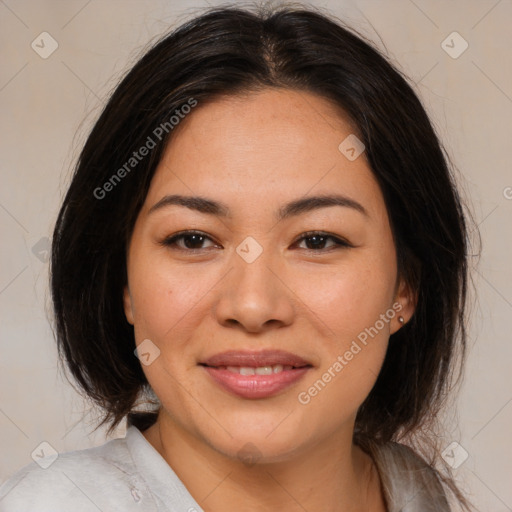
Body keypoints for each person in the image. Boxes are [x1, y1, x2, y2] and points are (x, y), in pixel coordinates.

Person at [0, 4, 475, 511]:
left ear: (406, 284)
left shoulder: (416, 492)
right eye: (193, 239)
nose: (252, 306)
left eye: (316, 240)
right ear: (123, 283)